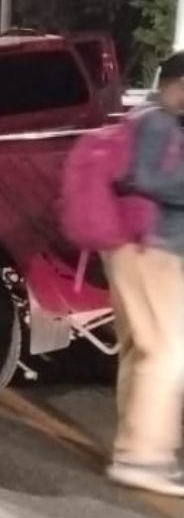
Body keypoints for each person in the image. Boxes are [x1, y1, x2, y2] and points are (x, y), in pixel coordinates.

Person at [103, 52, 184, 497]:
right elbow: (150, 178)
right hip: (152, 249)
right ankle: (145, 459)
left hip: (132, 246)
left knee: (141, 351)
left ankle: (131, 450)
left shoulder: (142, 117)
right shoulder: (158, 122)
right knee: (168, 356)